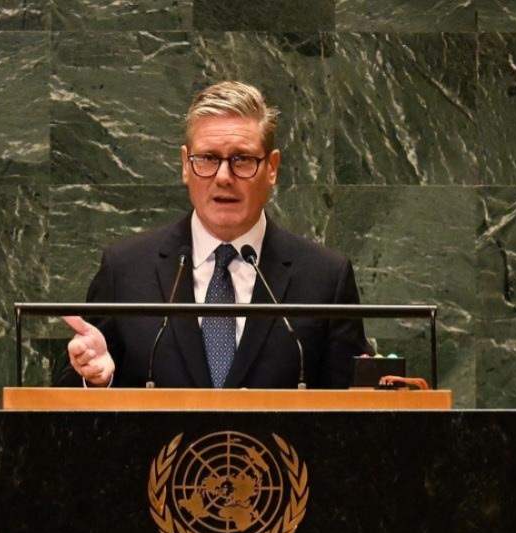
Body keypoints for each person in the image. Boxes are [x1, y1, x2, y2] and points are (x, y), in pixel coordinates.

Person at [53, 80, 368, 389]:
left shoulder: (325, 278)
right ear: (185, 165)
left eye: (242, 159)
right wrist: (95, 378)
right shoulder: (125, 270)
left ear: (272, 167)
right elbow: (66, 393)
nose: (223, 177)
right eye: (207, 158)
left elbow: (356, 406)